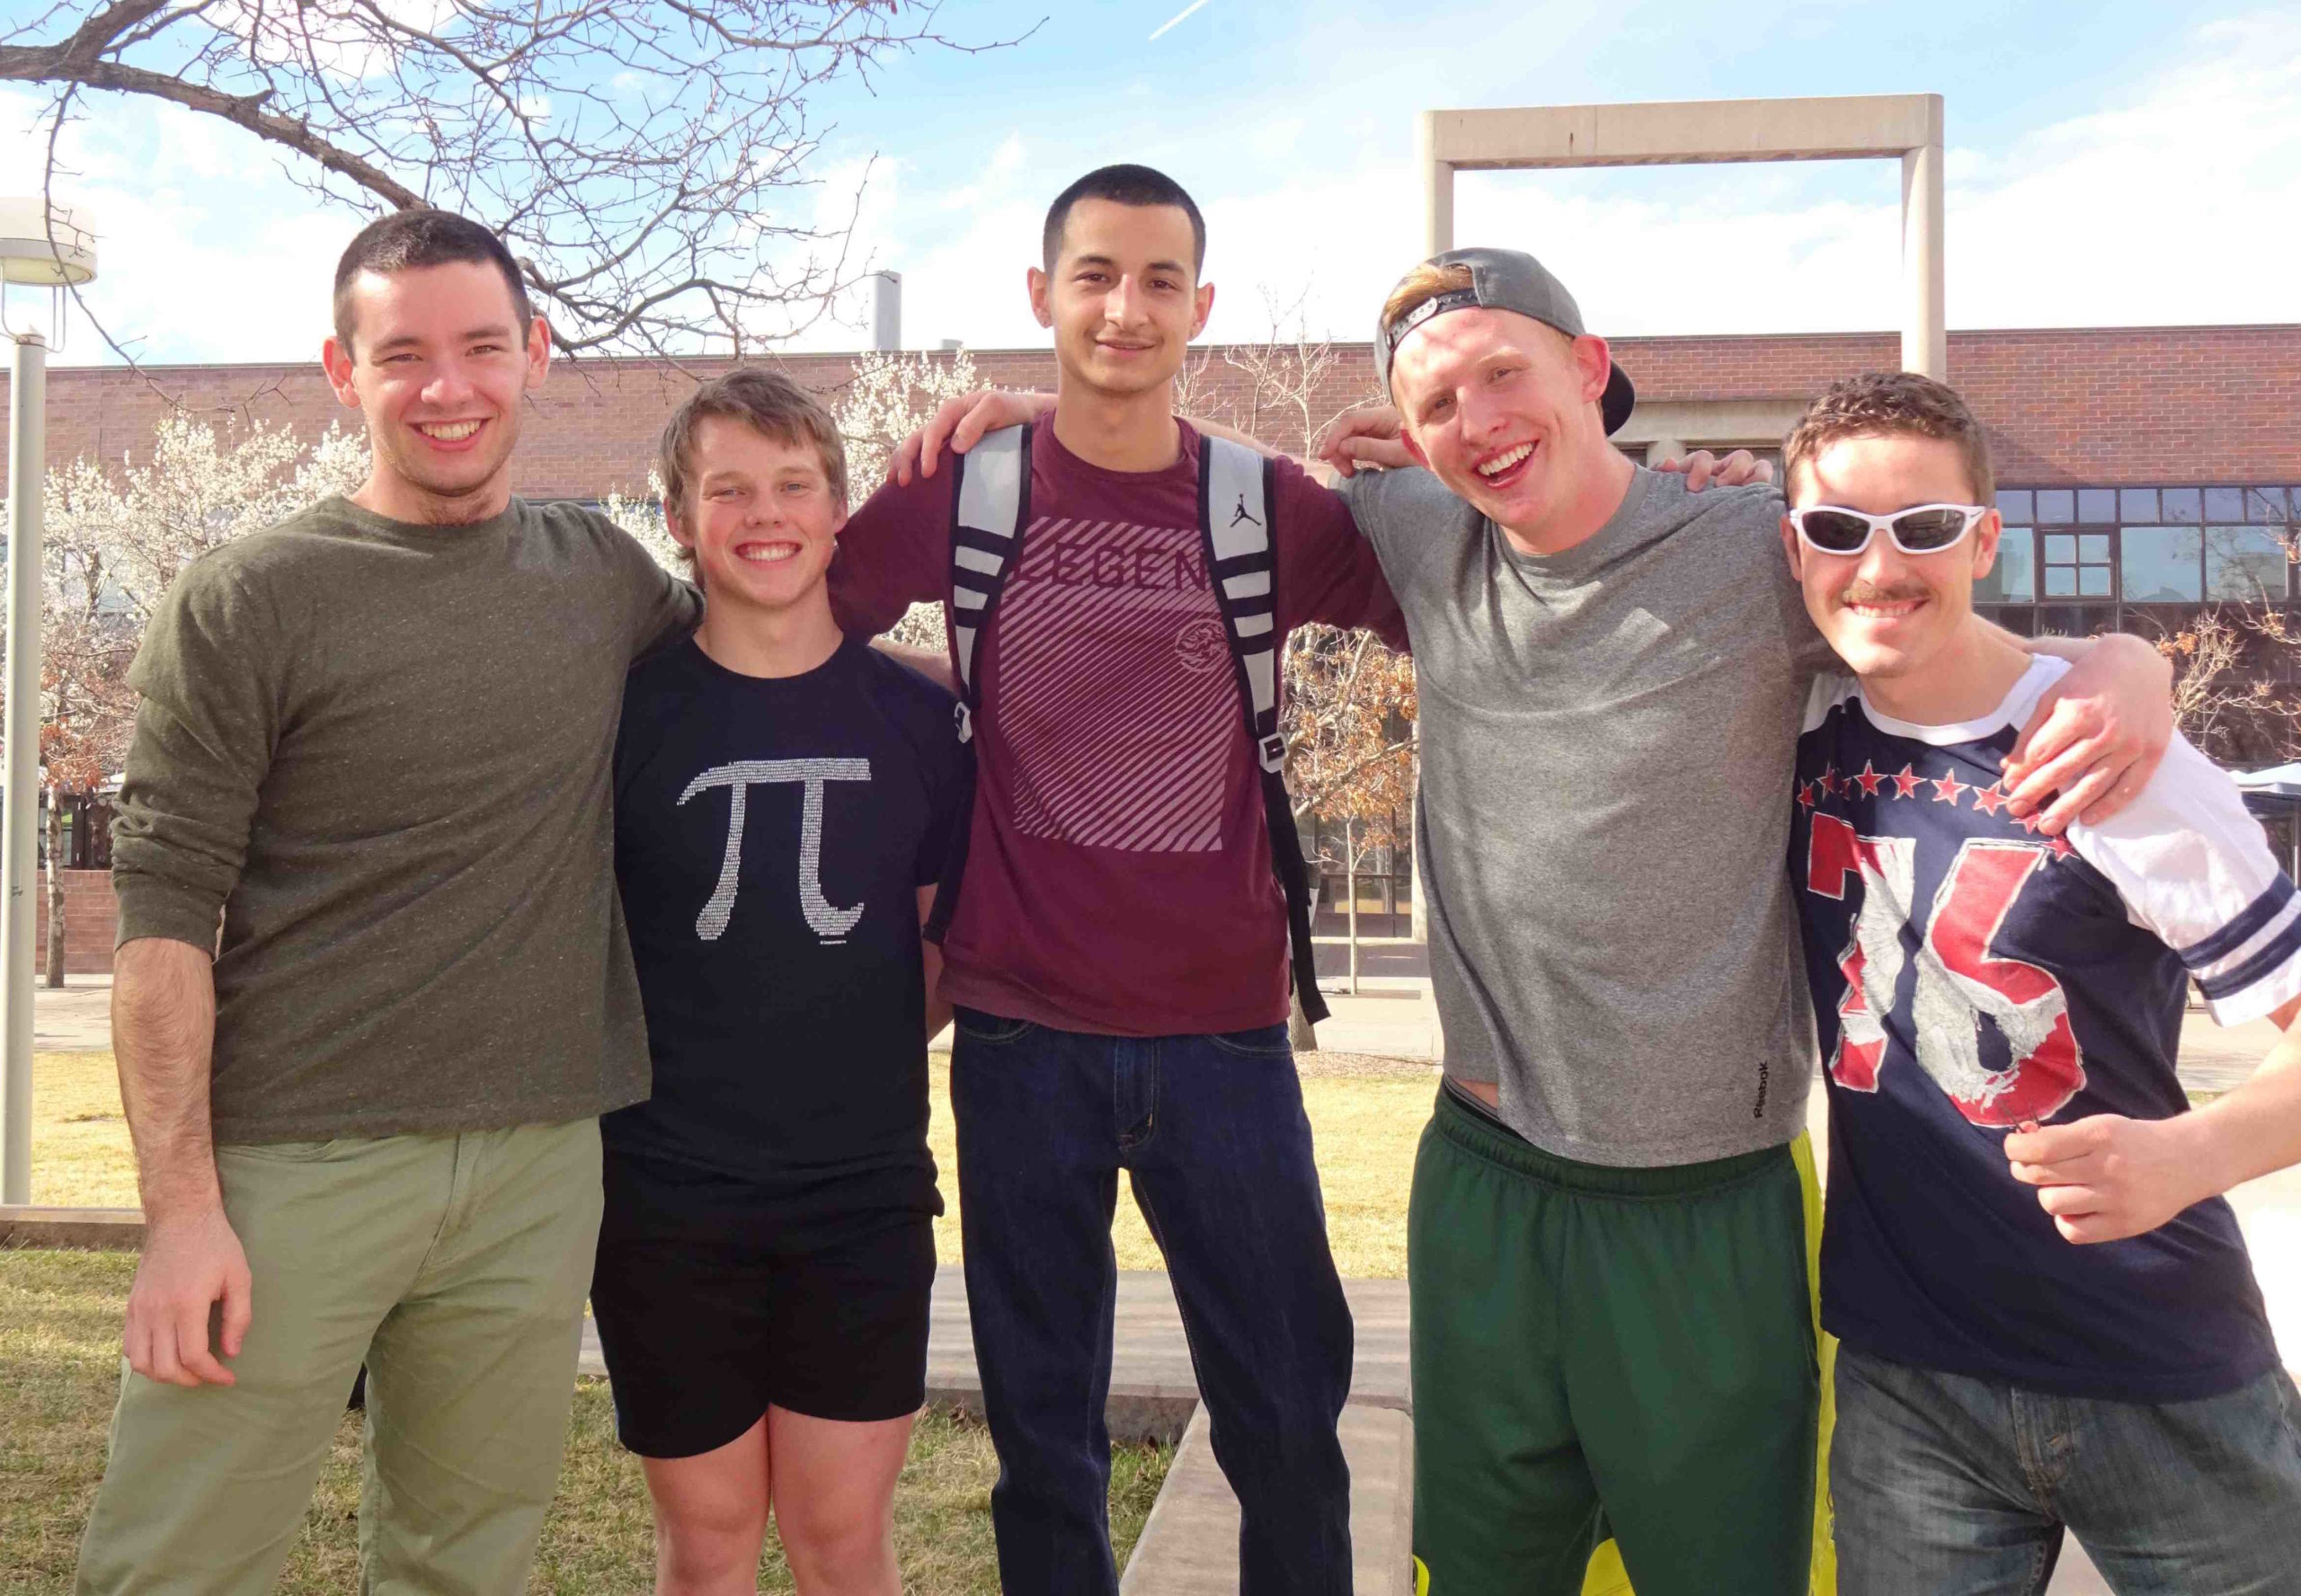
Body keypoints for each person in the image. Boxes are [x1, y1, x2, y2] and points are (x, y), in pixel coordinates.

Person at [911, 246, 2172, 1595]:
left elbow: (1935, 620)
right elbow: (1220, 476)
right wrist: (1055, 426)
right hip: (1487, 1179)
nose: (1477, 422)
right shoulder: (1417, 526)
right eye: (1438, 403)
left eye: (1501, 374)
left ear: (1588, 368)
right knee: (1488, 1567)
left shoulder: (1754, 550)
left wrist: (2123, 663)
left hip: (1703, 1198)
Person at [76, 208, 698, 1595]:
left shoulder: (602, 579)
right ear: (339, 371)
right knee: (180, 1560)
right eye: (403, 353)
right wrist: (179, 1212)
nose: (448, 386)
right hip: (296, 1166)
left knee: (468, 1563)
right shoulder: (250, 600)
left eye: (483, 346)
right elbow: (164, 921)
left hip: (540, 1160)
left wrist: (1006, 436)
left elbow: (789, 619)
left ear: (536, 355)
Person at [825, 163, 1407, 1596]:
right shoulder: (962, 486)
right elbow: (794, 625)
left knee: (1285, 1426)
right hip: (1022, 1040)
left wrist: (1445, 483)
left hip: (1225, 1043)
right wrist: (931, 694)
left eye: (1158, 281)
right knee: (1044, 1440)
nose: (1125, 308)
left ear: (1200, 307)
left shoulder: (1265, 505)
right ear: (1042, 296)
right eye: (1094, 276)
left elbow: (1484, 610)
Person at [1779, 370, 2301, 1594]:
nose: (1879, 566)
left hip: (2157, 1364)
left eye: (1925, 527)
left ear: (1985, 538)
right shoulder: (1792, 726)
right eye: (1839, 529)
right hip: (1912, 1385)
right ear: (1794, 546)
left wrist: (2197, 1153)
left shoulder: (2112, 754)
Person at [591, 368, 964, 1596]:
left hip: (858, 1199)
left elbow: (937, 947)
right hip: (665, 1201)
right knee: (704, 1547)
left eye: (794, 485)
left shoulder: (918, 715)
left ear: (838, 510)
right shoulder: (624, 717)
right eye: (729, 489)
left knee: (842, 1544)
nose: (765, 513)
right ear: (678, 519)